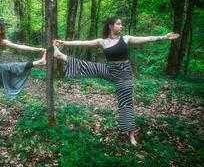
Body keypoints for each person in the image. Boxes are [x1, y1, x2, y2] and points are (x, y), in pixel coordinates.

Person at [52, 16, 179, 146]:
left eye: (121, 24)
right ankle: (60, 55)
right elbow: (83, 42)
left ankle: (130, 134)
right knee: (90, 66)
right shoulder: (103, 42)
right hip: (110, 70)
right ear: (111, 26)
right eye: (118, 24)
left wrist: (163, 37)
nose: (121, 26)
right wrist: (64, 43)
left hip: (124, 74)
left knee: (125, 102)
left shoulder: (126, 38)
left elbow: (146, 39)